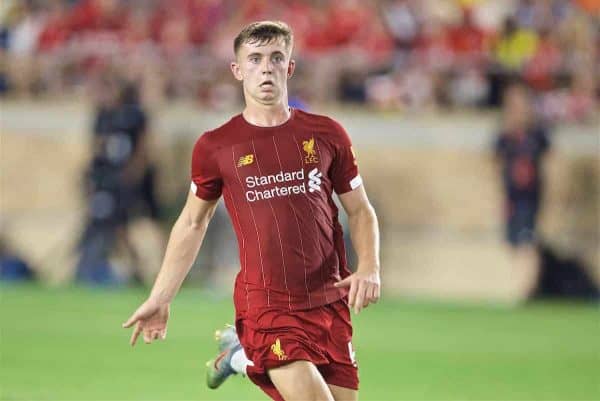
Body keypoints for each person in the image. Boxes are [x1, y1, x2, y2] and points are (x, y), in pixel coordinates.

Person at [122, 21, 381, 401]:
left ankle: (241, 357)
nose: (266, 68)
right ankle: (248, 352)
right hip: (268, 306)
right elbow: (194, 221)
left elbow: (360, 211)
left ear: (289, 68)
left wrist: (370, 266)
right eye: (255, 59)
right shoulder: (216, 146)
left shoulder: (326, 134)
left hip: (329, 301)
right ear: (237, 70)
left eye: (277, 58)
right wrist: (161, 297)